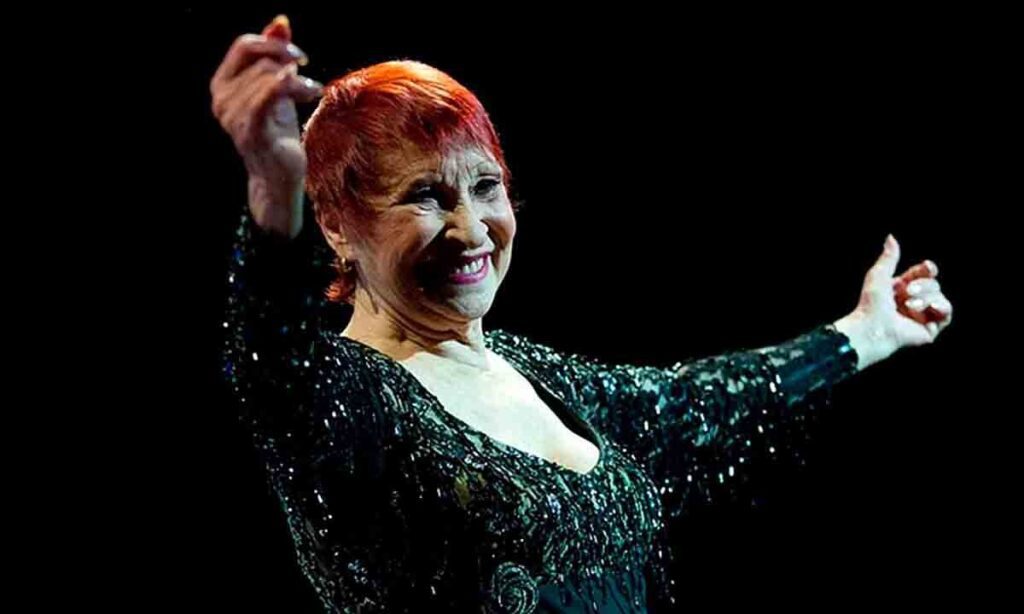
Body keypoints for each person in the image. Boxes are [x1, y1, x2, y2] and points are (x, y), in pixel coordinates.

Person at [211, 15, 953, 613]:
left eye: (486, 187)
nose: (471, 229)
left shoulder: (540, 377)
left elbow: (700, 404)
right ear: (337, 225)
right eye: (426, 197)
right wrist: (275, 194)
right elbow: (272, 354)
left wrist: (865, 332)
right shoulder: (343, 400)